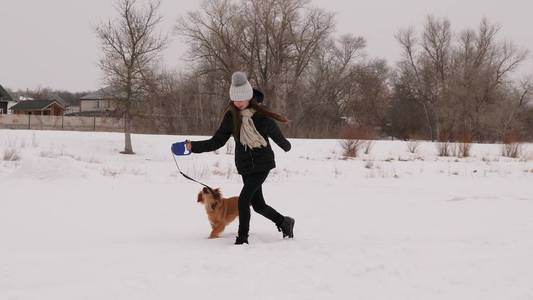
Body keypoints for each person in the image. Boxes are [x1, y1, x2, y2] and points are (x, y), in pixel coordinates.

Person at [185, 71, 295, 245]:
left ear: (250, 97)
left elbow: (275, 134)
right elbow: (217, 141)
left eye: (242, 99)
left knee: (244, 200)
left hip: (262, 164)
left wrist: (285, 145)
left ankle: (242, 238)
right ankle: (284, 222)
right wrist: (193, 147)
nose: (238, 103)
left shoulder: (261, 116)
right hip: (245, 167)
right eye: (235, 99)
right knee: (258, 205)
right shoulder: (231, 117)